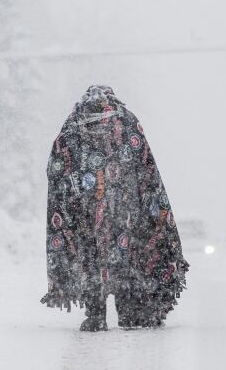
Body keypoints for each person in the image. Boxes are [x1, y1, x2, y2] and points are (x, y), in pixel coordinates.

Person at [41, 85, 188, 331]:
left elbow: (56, 166)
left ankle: (95, 316)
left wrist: (72, 197)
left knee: (91, 260)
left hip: (85, 211)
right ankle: (129, 312)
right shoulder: (127, 121)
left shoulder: (72, 125)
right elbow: (145, 165)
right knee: (125, 258)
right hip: (123, 209)